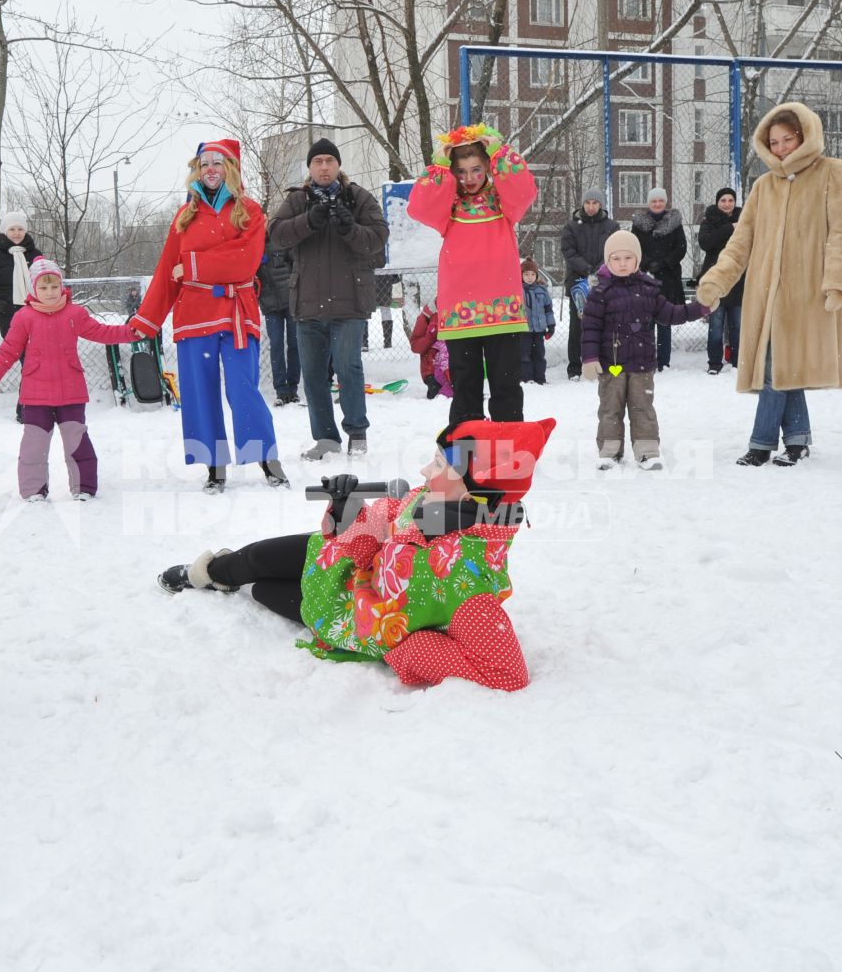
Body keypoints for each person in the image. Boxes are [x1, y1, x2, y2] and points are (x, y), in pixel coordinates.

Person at [155, 418, 555, 691]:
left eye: (436, 463)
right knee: (253, 559)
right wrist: (347, 511)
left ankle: (231, 581)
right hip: (343, 564)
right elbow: (376, 528)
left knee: (262, 591)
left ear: (472, 491)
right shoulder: (430, 504)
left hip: (354, 617)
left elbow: (507, 674)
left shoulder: (471, 582)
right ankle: (205, 574)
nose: (422, 472)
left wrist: (409, 649)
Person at [695, 103, 842, 467]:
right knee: (785, 366)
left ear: (805, 135)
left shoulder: (832, 172)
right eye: (775, 141)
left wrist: (838, 282)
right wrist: (717, 280)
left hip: (808, 293)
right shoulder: (763, 185)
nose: (782, 147)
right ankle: (797, 440)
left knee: (775, 368)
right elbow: (741, 241)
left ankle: (761, 443)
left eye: (788, 139)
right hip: (764, 296)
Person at [131, 139, 282, 491]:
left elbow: (245, 259)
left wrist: (195, 265)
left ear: (231, 168)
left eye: (217, 162)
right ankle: (213, 466)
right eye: (203, 164)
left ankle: (267, 459)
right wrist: (147, 319)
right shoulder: (185, 216)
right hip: (193, 314)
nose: (210, 169)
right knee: (199, 392)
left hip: (236, 312)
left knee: (244, 389)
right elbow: (168, 268)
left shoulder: (250, 211)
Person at [0, 258, 140, 501]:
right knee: (34, 445)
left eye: (54, 286)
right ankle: (33, 490)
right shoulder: (24, 317)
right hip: (36, 394)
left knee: (76, 440)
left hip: (71, 392)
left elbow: (103, 333)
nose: (49, 292)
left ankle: (83, 488)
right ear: (33, 290)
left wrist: (133, 331)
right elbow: (7, 352)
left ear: (61, 286)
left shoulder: (75, 313)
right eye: (43, 287)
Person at [265, 137, 387, 459]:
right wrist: (307, 222)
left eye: (328, 161)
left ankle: (357, 433)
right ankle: (326, 440)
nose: (323, 167)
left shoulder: (358, 198)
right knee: (314, 374)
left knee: (348, 367)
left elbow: (377, 239)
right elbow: (275, 234)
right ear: (309, 167)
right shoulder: (298, 200)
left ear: (338, 165)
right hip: (307, 303)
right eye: (317, 161)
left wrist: (350, 228)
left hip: (350, 303)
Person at [407, 123, 537, 424]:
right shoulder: (448, 206)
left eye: (476, 169)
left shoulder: (504, 203)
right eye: (461, 171)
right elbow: (420, 207)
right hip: (459, 313)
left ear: (488, 168)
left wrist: (499, 152)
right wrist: (439, 166)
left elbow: (524, 189)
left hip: (502, 311)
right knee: (465, 387)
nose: (469, 178)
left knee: (506, 387)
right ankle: (466, 455)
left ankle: (507, 452)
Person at [579, 230, 708, 470]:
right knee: (610, 408)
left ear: (637, 260)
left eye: (628, 258)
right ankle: (609, 451)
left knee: (643, 408)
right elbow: (591, 327)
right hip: (611, 364)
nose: (622, 264)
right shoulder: (600, 293)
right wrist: (589, 357)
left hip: (642, 364)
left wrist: (700, 308)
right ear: (608, 261)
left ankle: (647, 450)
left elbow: (671, 313)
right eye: (616, 259)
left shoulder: (648, 289)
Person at [558, 188, 618, 380]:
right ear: (582, 204)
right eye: (588, 203)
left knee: (603, 324)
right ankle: (575, 367)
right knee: (578, 326)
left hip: (604, 281)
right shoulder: (571, 226)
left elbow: (614, 251)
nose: (591, 207)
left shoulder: (611, 227)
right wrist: (587, 269)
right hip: (578, 282)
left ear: (601, 205)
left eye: (595, 203)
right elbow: (568, 251)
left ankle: (601, 362)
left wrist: (599, 270)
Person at [630, 186, 688, 370]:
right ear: (649, 203)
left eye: (660, 201)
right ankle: (647, 358)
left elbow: (681, 248)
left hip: (668, 278)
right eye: (654, 201)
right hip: (644, 277)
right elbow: (633, 247)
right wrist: (646, 263)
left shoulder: (674, 223)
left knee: (664, 321)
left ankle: (664, 361)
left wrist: (663, 263)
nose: (657, 204)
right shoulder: (638, 225)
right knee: (645, 322)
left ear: (665, 202)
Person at [697, 187, 742, 375]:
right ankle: (714, 362)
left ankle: (738, 361)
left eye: (730, 200)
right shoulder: (709, 221)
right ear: (717, 202)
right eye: (723, 200)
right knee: (716, 325)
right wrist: (729, 228)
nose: (727, 204)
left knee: (737, 325)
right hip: (716, 279)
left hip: (738, 279)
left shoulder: (744, 221)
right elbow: (706, 243)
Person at [0, 214, 42, 338]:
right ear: (5, 231)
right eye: (12, 229)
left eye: (20, 229)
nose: (16, 233)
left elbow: (45, 281)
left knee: (36, 351)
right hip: (9, 313)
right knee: (16, 350)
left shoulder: (35, 254)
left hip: (36, 311)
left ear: (25, 231)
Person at [257, 244, 300, 406]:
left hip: (290, 300)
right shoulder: (255, 243)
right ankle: (281, 390)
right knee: (276, 345)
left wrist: (294, 287)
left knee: (295, 344)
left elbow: (296, 263)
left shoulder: (282, 238)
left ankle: (293, 388)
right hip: (270, 303)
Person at [519, 258, 555, 384]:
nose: (530, 277)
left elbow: (548, 310)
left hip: (539, 330)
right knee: (524, 355)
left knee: (539, 354)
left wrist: (551, 325)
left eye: (533, 274)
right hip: (524, 330)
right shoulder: (518, 291)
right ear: (521, 275)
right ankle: (527, 378)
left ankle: (540, 378)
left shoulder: (542, 290)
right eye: (526, 274)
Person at [405, 296, 450, 399]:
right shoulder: (427, 316)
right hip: (432, 370)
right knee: (437, 396)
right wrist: (430, 337)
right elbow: (415, 346)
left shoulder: (461, 311)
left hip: (455, 368)